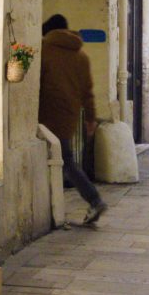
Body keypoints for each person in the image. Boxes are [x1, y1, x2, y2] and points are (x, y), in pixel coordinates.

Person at [39, 14, 108, 225]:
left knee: (64, 161)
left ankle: (94, 199)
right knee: (61, 160)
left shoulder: (45, 51)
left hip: (46, 114)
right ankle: (53, 207)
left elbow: (37, 84)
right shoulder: (81, 56)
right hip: (69, 115)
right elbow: (88, 91)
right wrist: (90, 118)